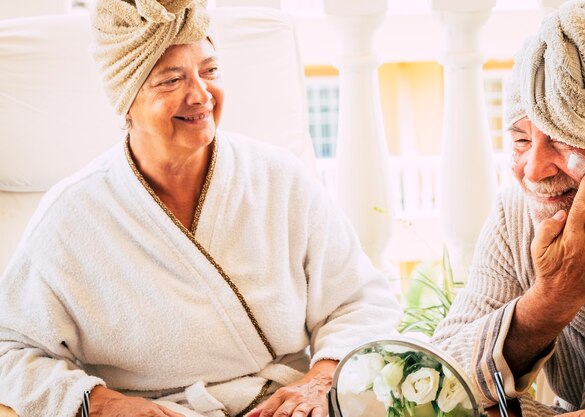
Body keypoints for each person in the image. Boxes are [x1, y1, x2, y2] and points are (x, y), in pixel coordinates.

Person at [0, 1, 401, 416]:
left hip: (290, 406)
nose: (201, 95)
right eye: (171, 80)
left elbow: (361, 301)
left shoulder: (280, 179)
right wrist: (103, 405)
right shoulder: (73, 216)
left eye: (209, 71)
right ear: (126, 102)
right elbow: (8, 351)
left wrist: (321, 380)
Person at [431, 1, 585, 416]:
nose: (533, 169)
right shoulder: (517, 216)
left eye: (561, 137)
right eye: (521, 140)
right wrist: (553, 298)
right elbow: (438, 380)